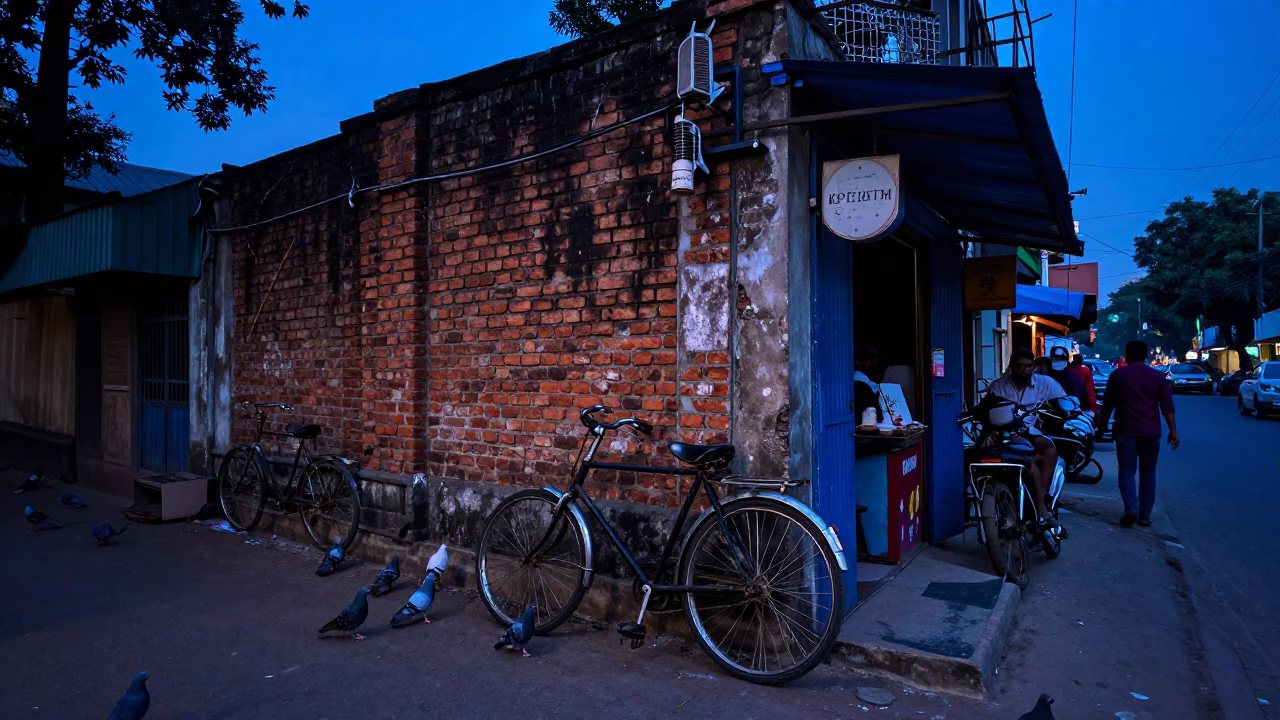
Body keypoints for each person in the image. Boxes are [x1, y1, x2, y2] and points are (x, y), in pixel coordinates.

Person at [1099, 340, 1179, 528]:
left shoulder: (1118, 375)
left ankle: (1131, 509)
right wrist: (1173, 432)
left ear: (1126, 355)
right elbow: (1167, 407)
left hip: (1126, 430)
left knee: (1127, 470)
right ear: (1146, 356)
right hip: (1151, 432)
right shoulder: (1158, 377)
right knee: (1148, 472)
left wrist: (1102, 429)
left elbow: (1108, 404)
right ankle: (1145, 515)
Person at [987, 347, 1065, 530]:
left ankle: (1043, 496)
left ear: (1033, 366)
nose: (1025, 369)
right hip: (1006, 435)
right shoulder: (998, 386)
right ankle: (1041, 510)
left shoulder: (1046, 383)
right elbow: (986, 410)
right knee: (1028, 461)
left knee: (1049, 448)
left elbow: (1062, 402)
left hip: (1033, 433)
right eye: (1020, 366)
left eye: (1028, 366)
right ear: (1012, 366)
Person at [1044, 346, 1090, 411]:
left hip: (1068, 411)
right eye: (1056, 359)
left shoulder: (1072, 374)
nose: (1059, 362)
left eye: (1061, 359)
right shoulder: (1045, 374)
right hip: (1047, 411)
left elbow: (1079, 394)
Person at [853, 345, 883, 424]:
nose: (874, 362)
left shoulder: (869, 383)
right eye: (870, 359)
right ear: (858, 362)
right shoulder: (859, 385)